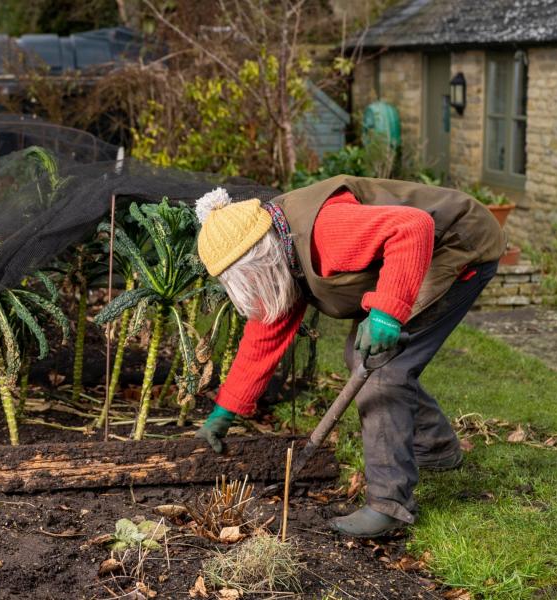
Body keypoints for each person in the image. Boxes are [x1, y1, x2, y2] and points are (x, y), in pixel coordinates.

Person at [193, 175, 505, 537]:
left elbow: (413, 227)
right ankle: (435, 447)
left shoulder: (326, 231)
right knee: (359, 353)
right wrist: (224, 411)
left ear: (261, 258)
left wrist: (387, 312)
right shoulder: (281, 244)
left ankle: (388, 506)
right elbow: (266, 330)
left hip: (455, 244)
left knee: (382, 372)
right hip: (423, 247)